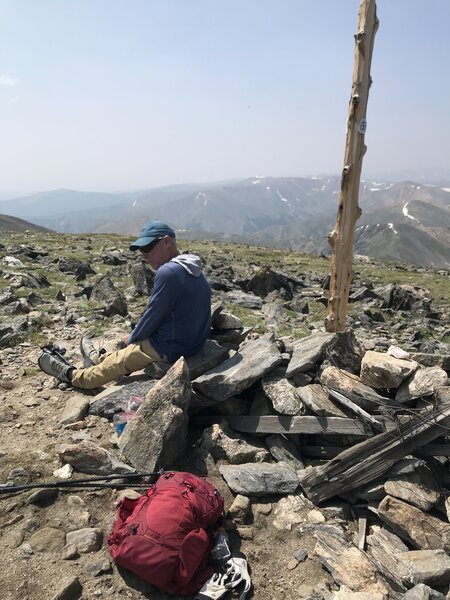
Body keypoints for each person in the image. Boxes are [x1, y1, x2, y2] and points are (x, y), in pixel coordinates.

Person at [38, 220, 211, 388]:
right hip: (193, 343)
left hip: (169, 347)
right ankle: (98, 357)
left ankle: (73, 375)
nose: (144, 254)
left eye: (148, 247)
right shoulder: (192, 267)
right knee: (121, 354)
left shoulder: (168, 272)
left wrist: (132, 338)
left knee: (116, 364)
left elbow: (153, 315)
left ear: (166, 242)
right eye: (141, 250)